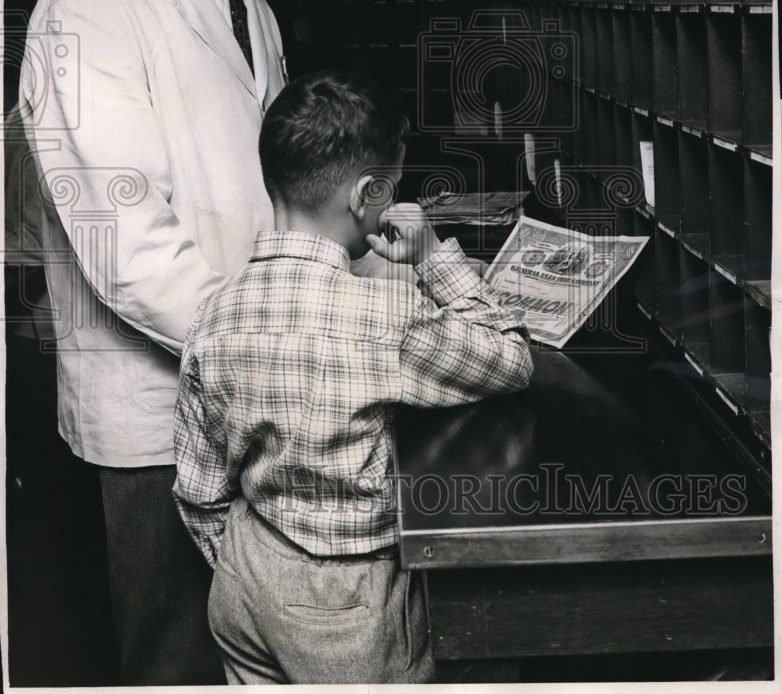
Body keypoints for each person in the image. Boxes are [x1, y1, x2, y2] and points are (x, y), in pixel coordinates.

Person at [18, 0, 311, 685]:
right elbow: (129, 246)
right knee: (175, 659)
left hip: (250, 392)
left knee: (258, 653)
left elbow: (267, 183)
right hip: (160, 420)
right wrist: (281, 352)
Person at [173, 70, 535, 684]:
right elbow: (511, 359)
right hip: (347, 603)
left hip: (242, 576)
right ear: (369, 194)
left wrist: (247, 564)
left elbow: (199, 490)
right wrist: (432, 258)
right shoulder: (384, 316)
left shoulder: (214, 312)